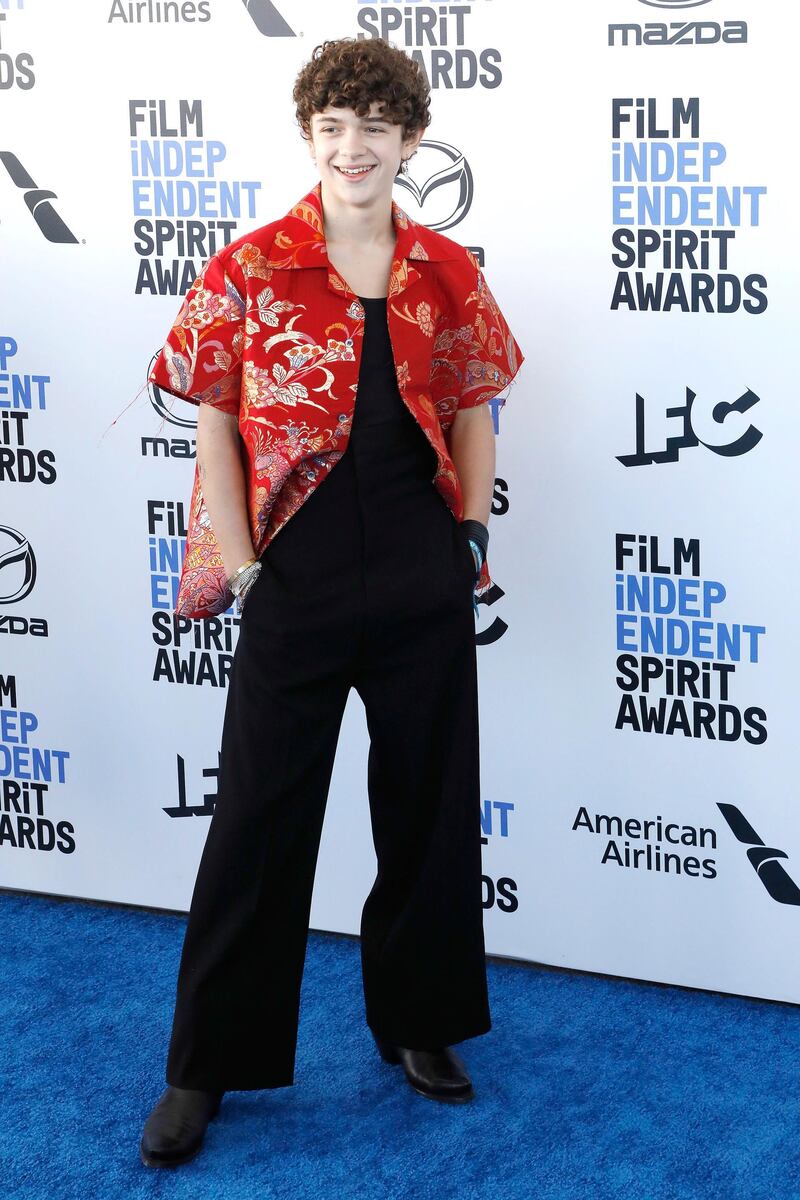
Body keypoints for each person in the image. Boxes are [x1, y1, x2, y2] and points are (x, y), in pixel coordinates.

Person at [139, 35, 524, 1168]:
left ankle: (421, 1024)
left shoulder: (446, 270)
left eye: (374, 127)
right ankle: (203, 1066)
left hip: (417, 563)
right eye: (333, 128)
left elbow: (472, 402)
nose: (353, 148)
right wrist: (246, 560)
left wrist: (468, 532)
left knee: (427, 802)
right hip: (293, 571)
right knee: (257, 816)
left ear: (409, 140)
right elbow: (211, 412)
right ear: (310, 138)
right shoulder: (251, 267)